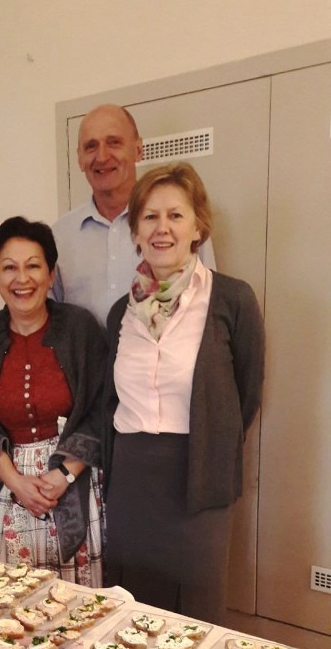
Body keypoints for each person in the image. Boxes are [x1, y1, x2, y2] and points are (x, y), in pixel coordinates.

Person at [103, 163, 265, 624]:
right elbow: (109, 401)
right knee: (131, 612)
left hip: (199, 476)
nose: (163, 228)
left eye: (175, 215)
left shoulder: (232, 299)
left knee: (196, 614)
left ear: (198, 227)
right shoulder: (120, 313)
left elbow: (245, 395)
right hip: (131, 480)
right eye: (150, 217)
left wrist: (213, 441)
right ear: (136, 230)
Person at [0, 216, 106, 586]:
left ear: (51, 273)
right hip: (10, 488)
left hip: (73, 484)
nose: (22, 278)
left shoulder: (81, 328)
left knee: (79, 604)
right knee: (11, 598)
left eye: (33, 266)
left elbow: (101, 409)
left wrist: (65, 474)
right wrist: (16, 482)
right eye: (9, 267)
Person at [52, 104, 215, 327]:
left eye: (114, 142)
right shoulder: (60, 236)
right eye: (91, 146)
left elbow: (210, 308)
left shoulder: (181, 227)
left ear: (138, 149)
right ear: (80, 158)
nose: (102, 156)